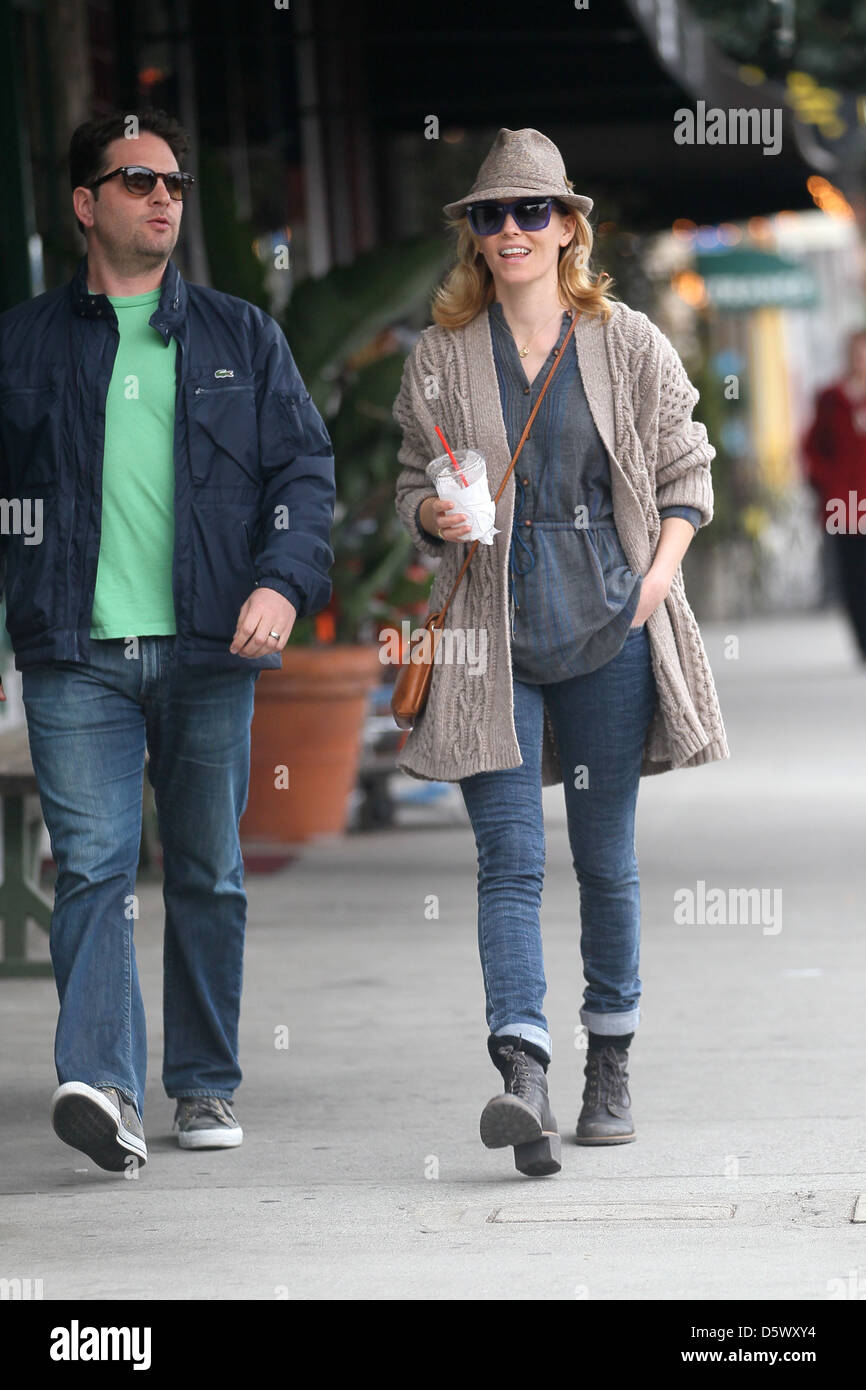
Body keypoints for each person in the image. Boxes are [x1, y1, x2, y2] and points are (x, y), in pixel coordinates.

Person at [0, 108, 335, 1172]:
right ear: (83, 202)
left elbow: (303, 476)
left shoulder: (241, 335)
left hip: (205, 649)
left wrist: (283, 583)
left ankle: (200, 1084)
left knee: (206, 868)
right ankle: (103, 1085)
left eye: (176, 185)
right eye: (138, 181)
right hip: (73, 654)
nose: (163, 199)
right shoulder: (24, 344)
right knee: (92, 867)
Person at [392, 127, 729, 1177]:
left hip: (604, 629)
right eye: (490, 215)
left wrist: (660, 573)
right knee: (509, 858)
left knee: (603, 861)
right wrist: (432, 518)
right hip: (487, 638)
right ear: (473, 237)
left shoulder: (623, 340)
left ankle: (609, 1060)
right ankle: (522, 1072)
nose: (509, 230)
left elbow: (686, 464)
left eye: (530, 211)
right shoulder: (441, 355)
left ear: (567, 226)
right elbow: (411, 482)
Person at [803, 328, 866, 660]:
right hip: (845, 504)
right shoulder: (831, 399)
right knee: (853, 575)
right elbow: (812, 448)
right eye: (858, 353)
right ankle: (862, 638)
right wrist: (827, 484)